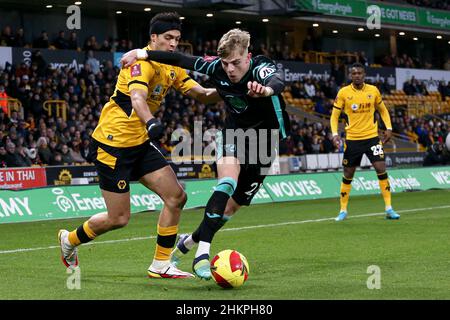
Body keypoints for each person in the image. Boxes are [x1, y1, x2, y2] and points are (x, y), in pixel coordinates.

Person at [57, 12, 221, 279]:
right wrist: (151, 122)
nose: (173, 44)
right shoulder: (139, 63)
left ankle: (160, 264)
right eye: (168, 38)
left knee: (176, 197)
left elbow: (202, 95)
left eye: (177, 39)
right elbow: (137, 98)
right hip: (113, 145)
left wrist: (227, 89)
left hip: (141, 143)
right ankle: (70, 240)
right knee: (119, 219)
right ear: (153, 37)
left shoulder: (172, 65)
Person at [121, 28, 289, 279]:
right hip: (235, 133)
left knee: (230, 210)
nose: (230, 69)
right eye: (225, 63)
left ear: (247, 56)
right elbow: (181, 60)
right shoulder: (216, 68)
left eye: (235, 63)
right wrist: (141, 53)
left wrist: (265, 91)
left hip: (265, 141)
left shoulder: (260, 67)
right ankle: (202, 253)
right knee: (227, 182)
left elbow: (277, 81)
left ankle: (188, 243)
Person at [330, 63, 400, 221]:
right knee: (348, 173)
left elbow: (382, 110)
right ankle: (343, 210)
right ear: (350, 75)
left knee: (381, 168)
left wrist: (388, 127)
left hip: (372, 138)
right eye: (354, 73)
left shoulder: (373, 90)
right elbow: (334, 116)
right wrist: (335, 134)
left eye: (359, 73)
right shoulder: (343, 93)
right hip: (353, 140)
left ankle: (389, 208)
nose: (357, 75)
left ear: (364, 74)